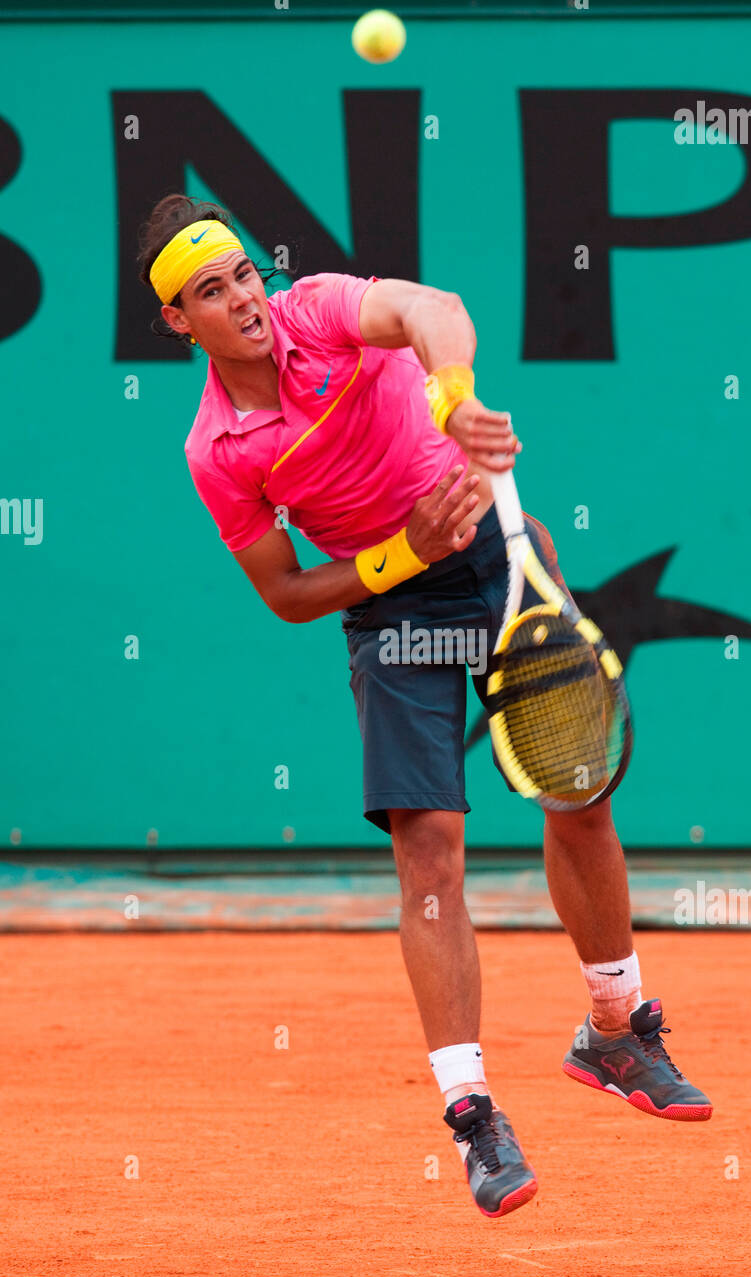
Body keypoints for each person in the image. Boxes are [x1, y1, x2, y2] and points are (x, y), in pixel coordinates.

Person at [139, 195, 712, 1220]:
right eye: (209, 293)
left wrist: (450, 397)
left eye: (241, 275)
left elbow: (428, 306)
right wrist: (404, 551)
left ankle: (614, 1028)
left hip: (495, 554)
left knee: (575, 789)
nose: (241, 300)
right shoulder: (216, 451)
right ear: (178, 323)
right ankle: (473, 1116)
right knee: (429, 849)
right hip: (391, 601)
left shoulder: (316, 307)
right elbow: (283, 594)